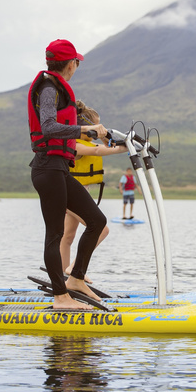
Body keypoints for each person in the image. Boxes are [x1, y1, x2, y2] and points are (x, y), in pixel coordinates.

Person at [28, 38, 108, 310]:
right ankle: (61, 297)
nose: (77, 66)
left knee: (97, 221)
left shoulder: (58, 89)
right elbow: (49, 127)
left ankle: (75, 279)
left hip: (58, 169)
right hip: (47, 168)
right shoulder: (49, 89)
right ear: (71, 63)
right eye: (77, 62)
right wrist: (85, 131)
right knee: (55, 234)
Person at [60, 101, 128, 283]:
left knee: (68, 235)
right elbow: (97, 151)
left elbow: (101, 144)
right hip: (69, 196)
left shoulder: (83, 141)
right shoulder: (74, 144)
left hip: (77, 195)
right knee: (101, 229)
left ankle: (63, 276)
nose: (98, 132)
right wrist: (125, 149)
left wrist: (115, 139)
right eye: (95, 128)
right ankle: (74, 269)